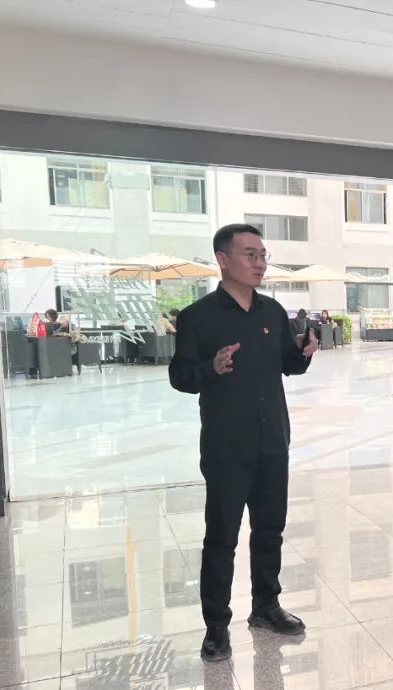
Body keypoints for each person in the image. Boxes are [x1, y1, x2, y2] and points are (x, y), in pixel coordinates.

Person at [169, 223, 318, 663]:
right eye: (250, 255)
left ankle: (266, 607)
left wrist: (303, 353)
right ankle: (216, 625)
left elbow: (287, 364)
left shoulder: (272, 311)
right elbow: (181, 376)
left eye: (263, 255)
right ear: (222, 259)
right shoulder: (198, 317)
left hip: (273, 440)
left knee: (270, 530)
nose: (260, 263)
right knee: (222, 537)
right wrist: (211, 368)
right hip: (227, 446)